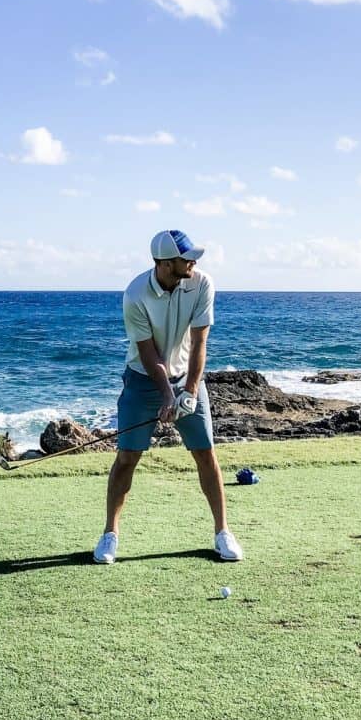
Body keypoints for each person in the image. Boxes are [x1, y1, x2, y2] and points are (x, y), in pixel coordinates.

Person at [93, 229, 243, 565]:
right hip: (142, 380)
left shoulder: (202, 283)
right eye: (185, 258)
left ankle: (223, 533)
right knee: (127, 458)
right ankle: (110, 535)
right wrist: (165, 395)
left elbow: (199, 342)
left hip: (187, 378)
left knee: (205, 454)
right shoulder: (135, 294)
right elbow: (148, 353)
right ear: (164, 263)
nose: (193, 262)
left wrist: (189, 391)